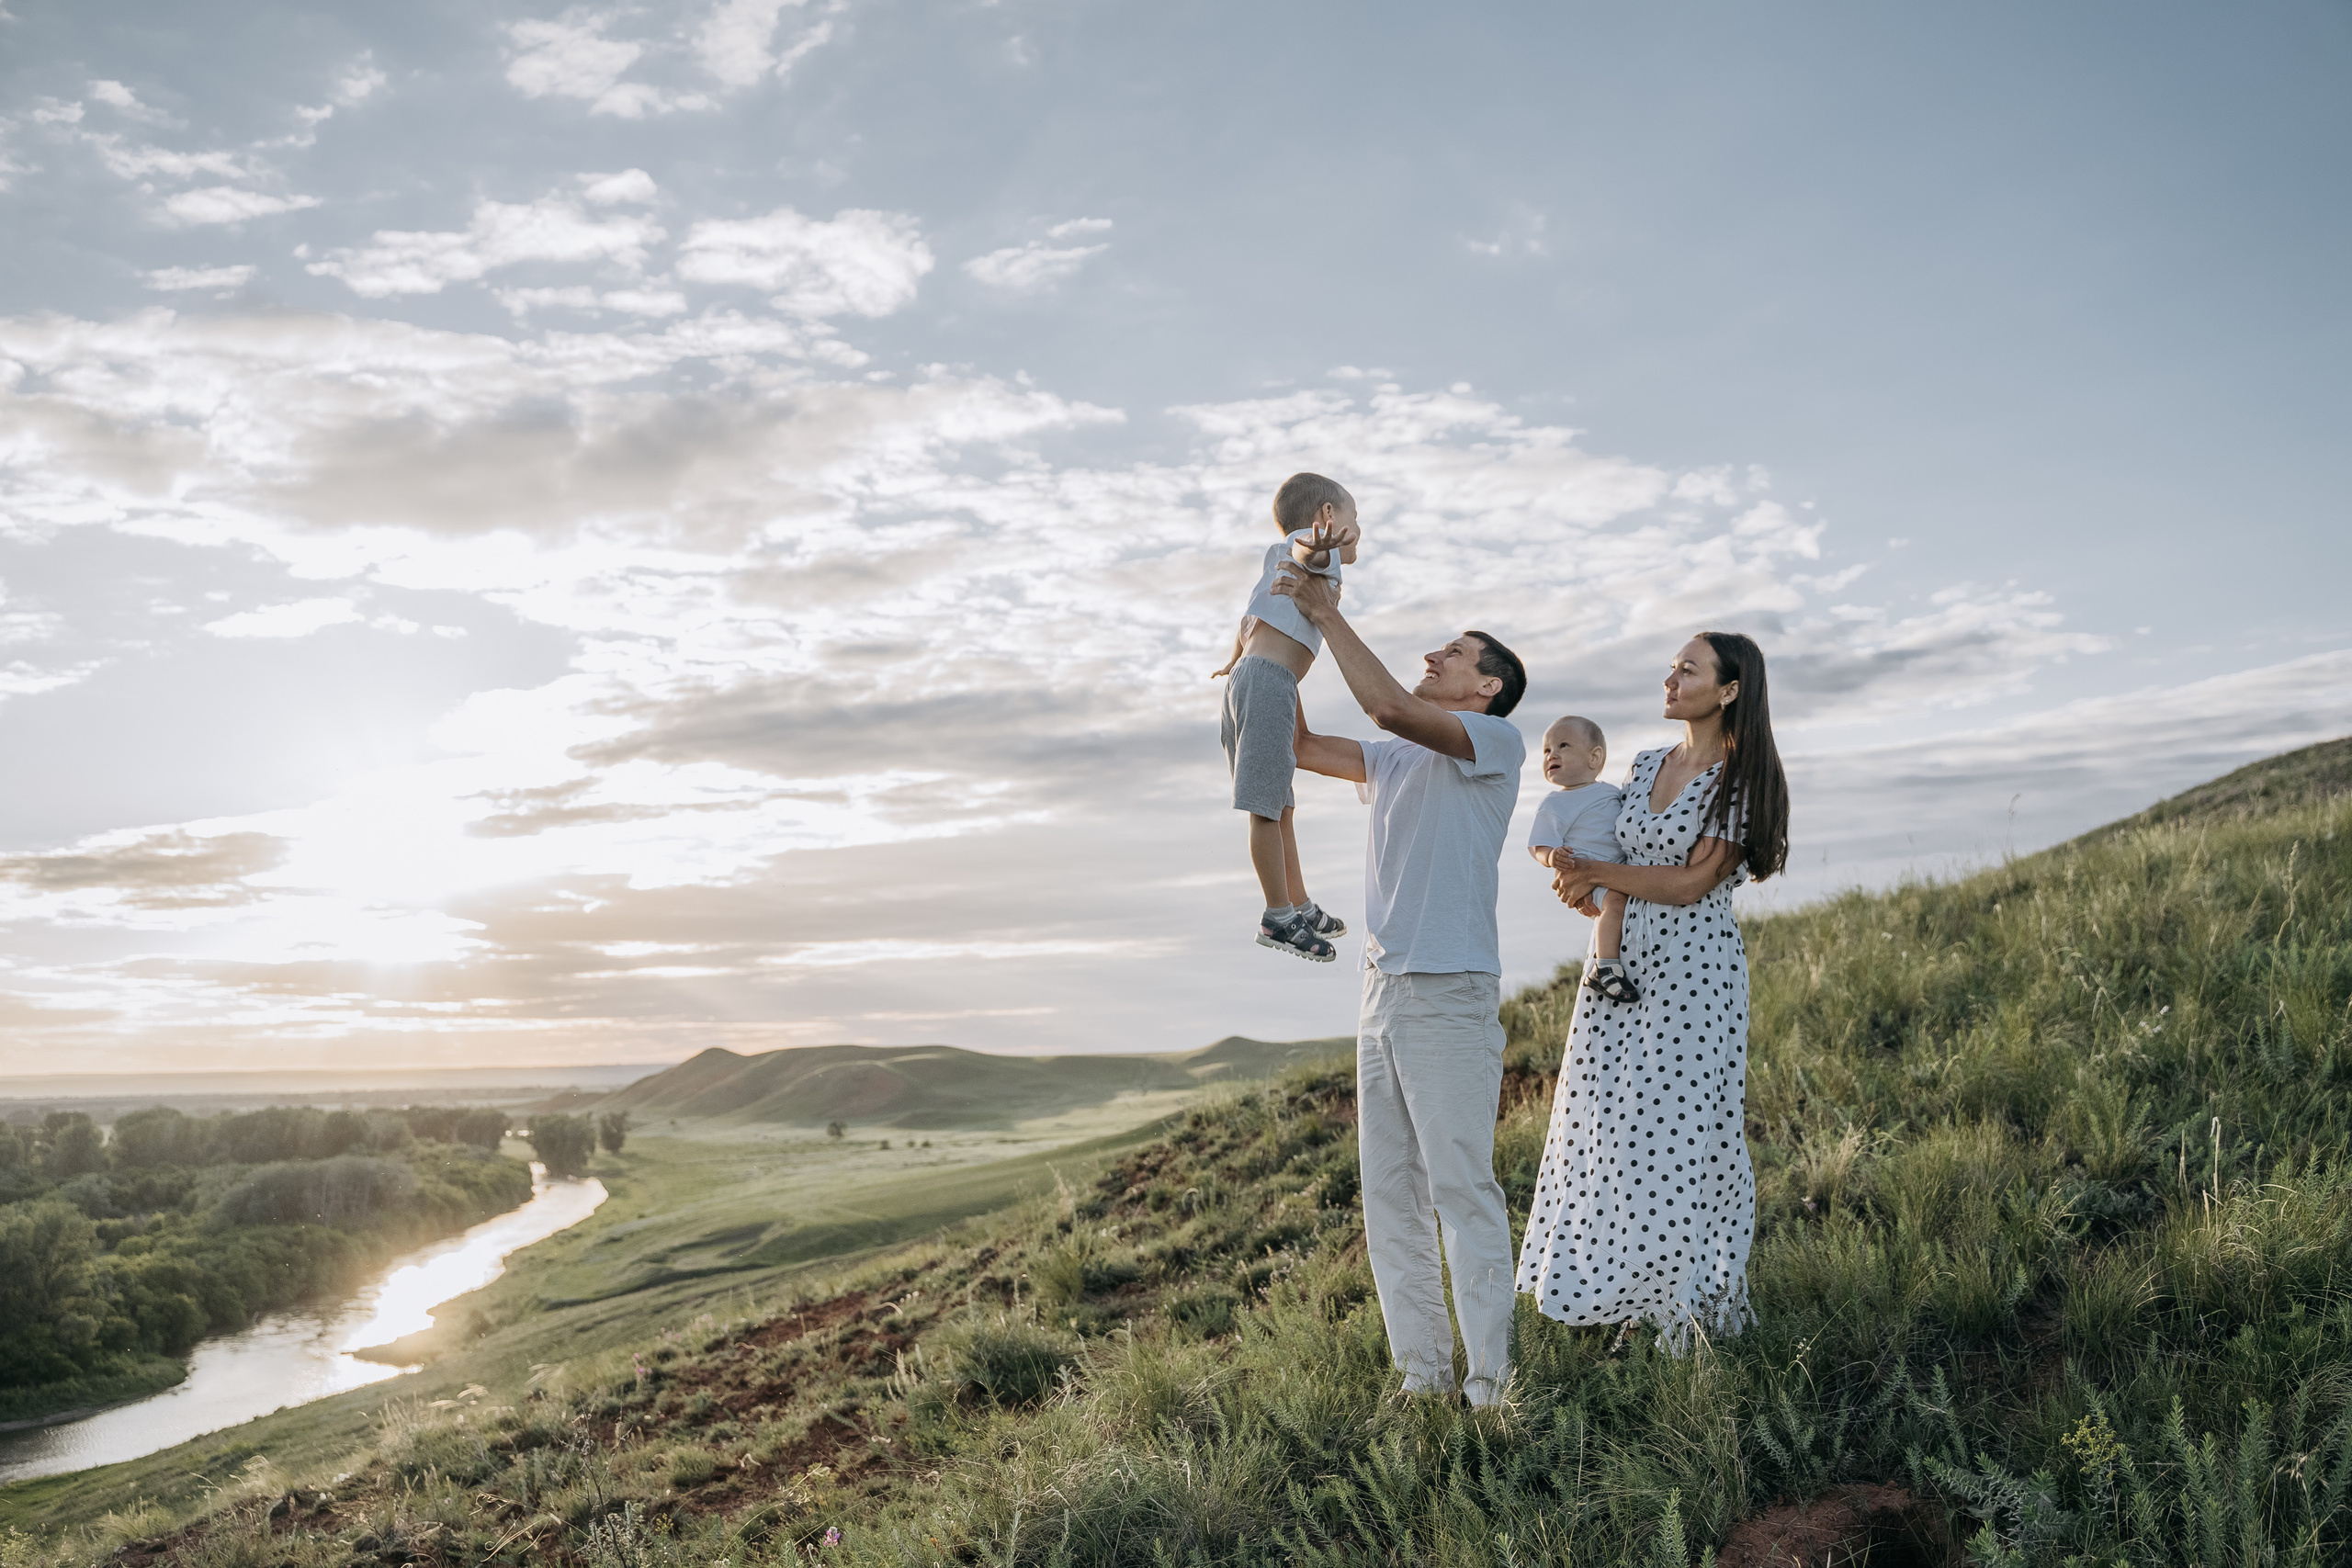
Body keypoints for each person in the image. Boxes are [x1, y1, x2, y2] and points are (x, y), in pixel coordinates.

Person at [1272, 562, 1527, 1406]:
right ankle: (1423, 1380)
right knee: (1389, 1197)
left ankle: (1492, 1388)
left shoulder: (1495, 744)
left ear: (1488, 686)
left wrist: (1324, 609)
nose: (1435, 652)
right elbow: (1300, 746)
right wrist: (1264, 651)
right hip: (1380, 992)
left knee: (1461, 1188)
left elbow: (1386, 703)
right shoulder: (1389, 759)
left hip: (1451, 991)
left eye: (1454, 651)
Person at [1514, 631, 1790, 1354]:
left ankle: (1687, 1306)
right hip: (1619, 966)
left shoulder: (1740, 779)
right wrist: (1582, 882)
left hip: (1695, 972)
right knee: (1614, 1130)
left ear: (1728, 690)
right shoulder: (1640, 765)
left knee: (1683, 1135)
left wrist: (1604, 874)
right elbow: (1618, 862)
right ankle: (1621, 1293)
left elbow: (1692, 881)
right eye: (1673, 666)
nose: (1671, 677)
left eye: (1688, 668)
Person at [1211, 472, 1362, 963]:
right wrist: (1320, 550)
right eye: (1353, 517)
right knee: (1266, 805)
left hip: (1259, 679)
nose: (1358, 528)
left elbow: (1249, 617)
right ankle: (1278, 915)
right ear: (1326, 517)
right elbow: (1308, 554)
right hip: (1269, 680)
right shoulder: (1310, 548)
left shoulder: (1274, 560)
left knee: (1281, 804)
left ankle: (1298, 903)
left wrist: (1234, 662)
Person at [1524, 716, 1634, 1002]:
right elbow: (1538, 845)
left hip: (1619, 870)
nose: (1552, 754)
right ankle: (1605, 968)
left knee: (1621, 905)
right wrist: (1552, 858)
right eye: (1547, 750)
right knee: (1615, 903)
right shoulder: (1554, 803)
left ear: (1594, 757)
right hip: (1589, 873)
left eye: (1563, 746)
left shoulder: (1612, 792)